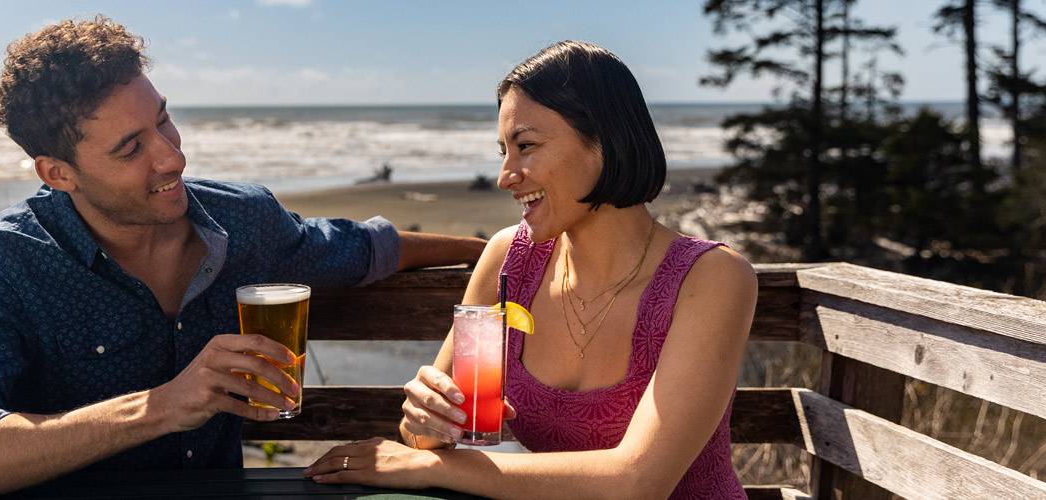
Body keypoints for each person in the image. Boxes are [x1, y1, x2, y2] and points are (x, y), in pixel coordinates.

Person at [0, 16, 487, 499]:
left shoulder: (244, 219)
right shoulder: (4, 261)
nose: (171, 158)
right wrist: (160, 407)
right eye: (131, 148)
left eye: (162, 120)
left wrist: (496, 249)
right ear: (58, 173)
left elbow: (366, 250)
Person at [306, 41, 758, 499]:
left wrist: (430, 465)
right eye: (503, 150)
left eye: (525, 146)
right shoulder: (510, 260)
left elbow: (639, 483)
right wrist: (425, 420)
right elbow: (425, 437)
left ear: (605, 140)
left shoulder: (711, 277)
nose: (505, 175)